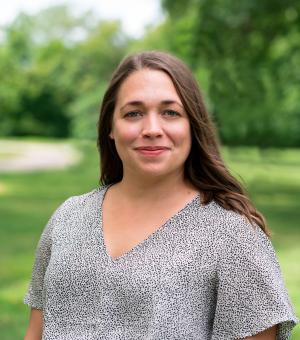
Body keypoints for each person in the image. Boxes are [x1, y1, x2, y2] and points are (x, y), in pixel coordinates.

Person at [24, 50, 298, 340]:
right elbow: (36, 333)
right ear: (111, 128)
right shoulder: (68, 217)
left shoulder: (233, 236)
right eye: (133, 113)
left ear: (192, 125)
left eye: (170, 112)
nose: (152, 129)